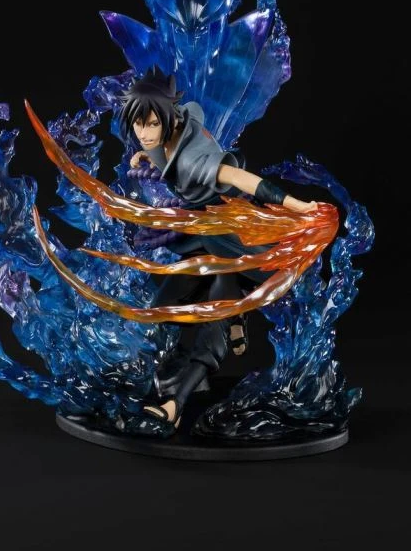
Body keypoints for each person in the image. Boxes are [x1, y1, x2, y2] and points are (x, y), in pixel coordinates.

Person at [118, 67, 318, 429]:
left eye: (151, 124)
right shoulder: (177, 121)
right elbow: (175, 134)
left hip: (228, 240)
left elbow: (244, 180)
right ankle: (175, 368)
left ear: (167, 119)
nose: (143, 133)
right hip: (200, 233)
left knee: (216, 318)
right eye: (138, 124)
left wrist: (298, 205)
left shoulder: (195, 161)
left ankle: (175, 405)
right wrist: (148, 156)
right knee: (162, 307)